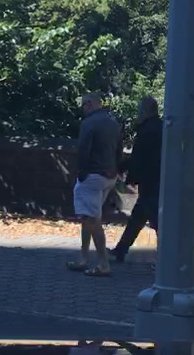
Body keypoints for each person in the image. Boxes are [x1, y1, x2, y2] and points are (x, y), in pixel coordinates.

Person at [65, 93, 121, 278]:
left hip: (92, 176)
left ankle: (103, 264)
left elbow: (83, 150)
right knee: (89, 217)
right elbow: (119, 150)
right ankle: (83, 257)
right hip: (109, 176)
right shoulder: (113, 122)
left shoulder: (89, 123)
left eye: (83, 105)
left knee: (92, 220)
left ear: (89, 104)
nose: (82, 108)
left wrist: (82, 174)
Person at [110, 96, 162, 263]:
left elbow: (139, 157)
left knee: (155, 220)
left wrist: (124, 170)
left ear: (145, 111)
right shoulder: (160, 127)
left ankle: (165, 257)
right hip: (157, 178)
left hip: (150, 180)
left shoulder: (146, 130)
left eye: (140, 110)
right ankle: (121, 250)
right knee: (139, 217)